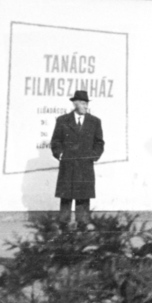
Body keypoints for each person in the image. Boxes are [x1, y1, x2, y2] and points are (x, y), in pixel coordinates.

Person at [51, 90, 104, 225]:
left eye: (86, 103)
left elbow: (99, 143)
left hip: (85, 167)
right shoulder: (62, 120)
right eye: (82, 103)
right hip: (68, 166)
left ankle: (83, 229)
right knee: (66, 199)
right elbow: (56, 141)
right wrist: (60, 155)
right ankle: (64, 229)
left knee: (83, 200)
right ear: (75, 103)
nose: (86, 106)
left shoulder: (94, 121)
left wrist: (93, 156)